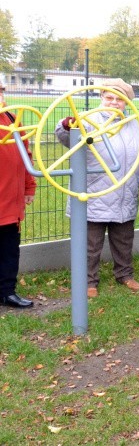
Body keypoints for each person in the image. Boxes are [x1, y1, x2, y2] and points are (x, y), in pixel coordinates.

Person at [55, 79, 139, 298]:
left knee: (124, 240)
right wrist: (68, 125)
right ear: (101, 98)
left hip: (125, 191)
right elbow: (66, 134)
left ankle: (125, 274)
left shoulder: (134, 123)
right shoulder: (88, 119)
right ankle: (88, 281)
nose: (114, 103)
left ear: (127, 102)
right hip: (94, 192)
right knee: (90, 243)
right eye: (109, 97)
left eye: (119, 99)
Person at [0, 80, 36, 308]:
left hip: (9, 202)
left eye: (1, 90)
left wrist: (28, 186)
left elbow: (26, 156)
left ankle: (6, 291)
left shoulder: (12, 120)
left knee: (9, 248)